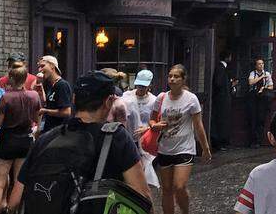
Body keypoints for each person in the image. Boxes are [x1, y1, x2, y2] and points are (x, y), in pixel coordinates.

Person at [13, 72, 151, 212]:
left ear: (73, 99)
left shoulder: (45, 139)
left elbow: (15, 200)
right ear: (109, 101)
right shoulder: (116, 137)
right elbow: (143, 197)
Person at [150, 64, 213, 214]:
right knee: (166, 189)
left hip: (184, 148)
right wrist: (154, 125)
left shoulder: (191, 99)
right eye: (170, 76)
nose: (172, 79)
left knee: (179, 186)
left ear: (183, 79)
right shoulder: (161, 98)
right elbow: (152, 119)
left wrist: (205, 148)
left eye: (176, 76)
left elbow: (198, 125)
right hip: (165, 148)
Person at [0, 64, 40, 214]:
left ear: (12, 78)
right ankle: (13, 211)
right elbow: (37, 120)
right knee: (19, 182)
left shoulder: (6, 97)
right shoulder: (34, 96)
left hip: (7, 140)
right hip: (25, 140)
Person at [36, 55, 72, 134]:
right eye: (39, 67)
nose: (39, 70)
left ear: (52, 66)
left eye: (42, 66)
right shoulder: (50, 84)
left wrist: (45, 111)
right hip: (49, 131)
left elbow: (66, 112)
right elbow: (50, 104)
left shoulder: (62, 85)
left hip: (58, 134)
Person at [247, 58, 275, 147]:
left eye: (262, 63)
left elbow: (271, 86)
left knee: (261, 119)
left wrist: (264, 88)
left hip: (263, 98)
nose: (261, 65)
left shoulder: (267, 74)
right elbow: (251, 82)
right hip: (253, 97)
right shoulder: (253, 73)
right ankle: (252, 141)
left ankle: (259, 141)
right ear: (256, 66)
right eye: (259, 64)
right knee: (252, 118)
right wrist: (261, 77)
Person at [210, 51, 235, 151]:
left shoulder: (223, 68)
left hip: (222, 99)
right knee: (221, 121)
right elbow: (218, 83)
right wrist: (229, 85)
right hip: (221, 100)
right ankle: (219, 143)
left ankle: (222, 142)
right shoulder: (221, 68)